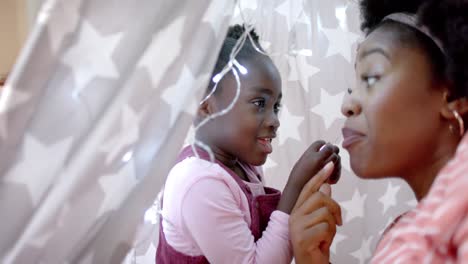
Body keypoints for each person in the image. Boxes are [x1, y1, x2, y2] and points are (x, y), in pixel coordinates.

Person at [290, 0, 468, 263]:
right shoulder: (402, 233)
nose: (347, 105)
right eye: (352, 87)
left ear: (450, 94)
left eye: (371, 78)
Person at [155, 24, 342, 263]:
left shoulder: (243, 166)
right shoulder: (198, 182)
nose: (274, 121)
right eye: (259, 103)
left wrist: (312, 181)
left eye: (276, 106)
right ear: (205, 106)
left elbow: (267, 240)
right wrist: (295, 186)